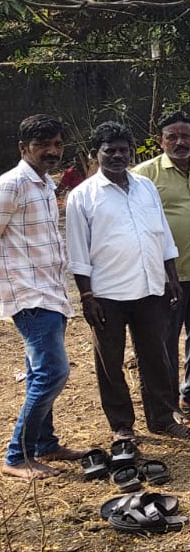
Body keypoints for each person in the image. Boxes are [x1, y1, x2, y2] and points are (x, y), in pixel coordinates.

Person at [66, 121, 190, 441]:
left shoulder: (145, 186)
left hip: (150, 287)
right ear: (96, 154)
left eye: (123, 150)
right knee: (110, 363)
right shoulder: (82, 196)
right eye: (110, 151)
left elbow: (161, 233)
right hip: (107, 293)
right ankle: (122, 425)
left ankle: (163, 418)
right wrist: (87, 297)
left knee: (156, 356)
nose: (117, 156)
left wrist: (172, 277)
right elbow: (78, 252)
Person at [1, 115, 87, 480]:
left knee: (39, 370)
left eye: (57, 144)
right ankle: (17, 456)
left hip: (51, 290)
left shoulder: (45, 185)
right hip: (27, 294)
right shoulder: (12, 184)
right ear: (24, 149)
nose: (52, 152)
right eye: (43, 146)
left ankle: (45, 444)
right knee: (53, 372)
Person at [133, 112, 190, 416]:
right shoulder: (145, 174)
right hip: (167, 273)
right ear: (160, 141)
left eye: (186, 136)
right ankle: (168, 402)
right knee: (166, 338)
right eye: (172, 136)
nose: (180, 142)